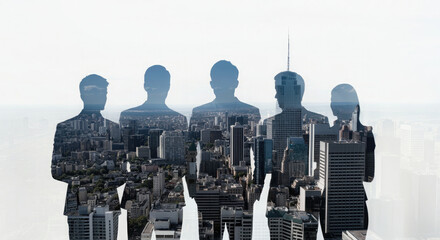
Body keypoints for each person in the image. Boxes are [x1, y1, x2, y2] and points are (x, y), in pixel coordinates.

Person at [119, 65, 188, 240]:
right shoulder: (179, 118)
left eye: (162, 85)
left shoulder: (180, 118)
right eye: (155, 85)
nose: (159, 90)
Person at [51, 74, 123, 240]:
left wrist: (83, 181)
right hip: (105, 201)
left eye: (104, 92)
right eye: (97, 92)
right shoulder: (114, 129)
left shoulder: (64, 127)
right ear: (82, 94)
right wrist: (100, 182)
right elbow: (122, 174)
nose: (103, 96)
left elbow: (57, 172)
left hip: (78, 203)